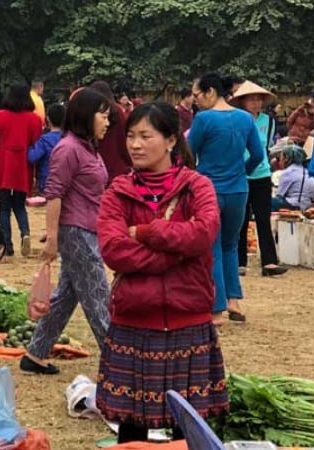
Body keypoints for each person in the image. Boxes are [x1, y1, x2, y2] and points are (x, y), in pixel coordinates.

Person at [96, 102, 227, 444]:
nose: (135, 145)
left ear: (171, 140)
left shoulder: (196, 186)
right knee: (131, 426)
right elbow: (113, 250)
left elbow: (203, 233)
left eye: (145, 136)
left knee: (187, 428)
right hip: (134, 322)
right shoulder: (117, 192)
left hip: (188, 319)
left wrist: (145, 232)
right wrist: (175, 254)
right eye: (130, 136)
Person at [22, 88, 111, 375]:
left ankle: (35, 353)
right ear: (87, 116)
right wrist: (52, 237)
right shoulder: (68, 148)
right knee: (98, 296)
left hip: (87, 228)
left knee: (66, 296)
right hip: (77, 232)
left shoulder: (87, 147)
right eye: (103, 115)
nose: (107, 122)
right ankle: (118, 361)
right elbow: (55, 193)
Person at [188, 73, 264, 324]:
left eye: (197, 95)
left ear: (210, 92)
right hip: (239, 190)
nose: (195, 100)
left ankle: (216, 308)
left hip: (209, 190)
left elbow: (189, 154)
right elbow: (257, 154)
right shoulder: (245, 118)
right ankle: (234, 301)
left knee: (212, 247)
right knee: (231, 245)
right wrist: (243, 171)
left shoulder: (203, 119)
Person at [231, 81, 287, 278]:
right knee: (241, 219)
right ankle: (239, 262)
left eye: (258, 99)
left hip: (262, 174)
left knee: (263, 218)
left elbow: (266, 147)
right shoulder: (236, 120)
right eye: (251, 99)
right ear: (243, 102)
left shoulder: (269, 122)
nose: (255, 103)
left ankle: (269, 262)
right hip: (240, 173)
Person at [0, 82, 43, 257]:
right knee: (19, 205)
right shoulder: (34, 119)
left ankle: (7, 244)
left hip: (3, 164)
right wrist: (37, 174)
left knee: (4, 208)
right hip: (23, 166)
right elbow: (36, 147)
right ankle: (25, 233)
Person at [89, 81, 132, 183]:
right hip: (117, 166)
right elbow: (123, 139)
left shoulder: (91, 112)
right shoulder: (117, 111)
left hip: (96, 167)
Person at [28, 103, 66, 195]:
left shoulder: (44, 140)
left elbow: (32, 157)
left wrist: (28, 147)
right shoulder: (69, 138)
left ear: (48, 119)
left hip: (47, 182)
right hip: (66, 182)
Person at [275, 145, 314, 211]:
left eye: (281, 158)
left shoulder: (288, 172)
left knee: (267, 200)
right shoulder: (308, 172)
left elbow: (279, 195)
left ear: (286, 158)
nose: (280, 161)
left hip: (292, 205)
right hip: (307, 206)